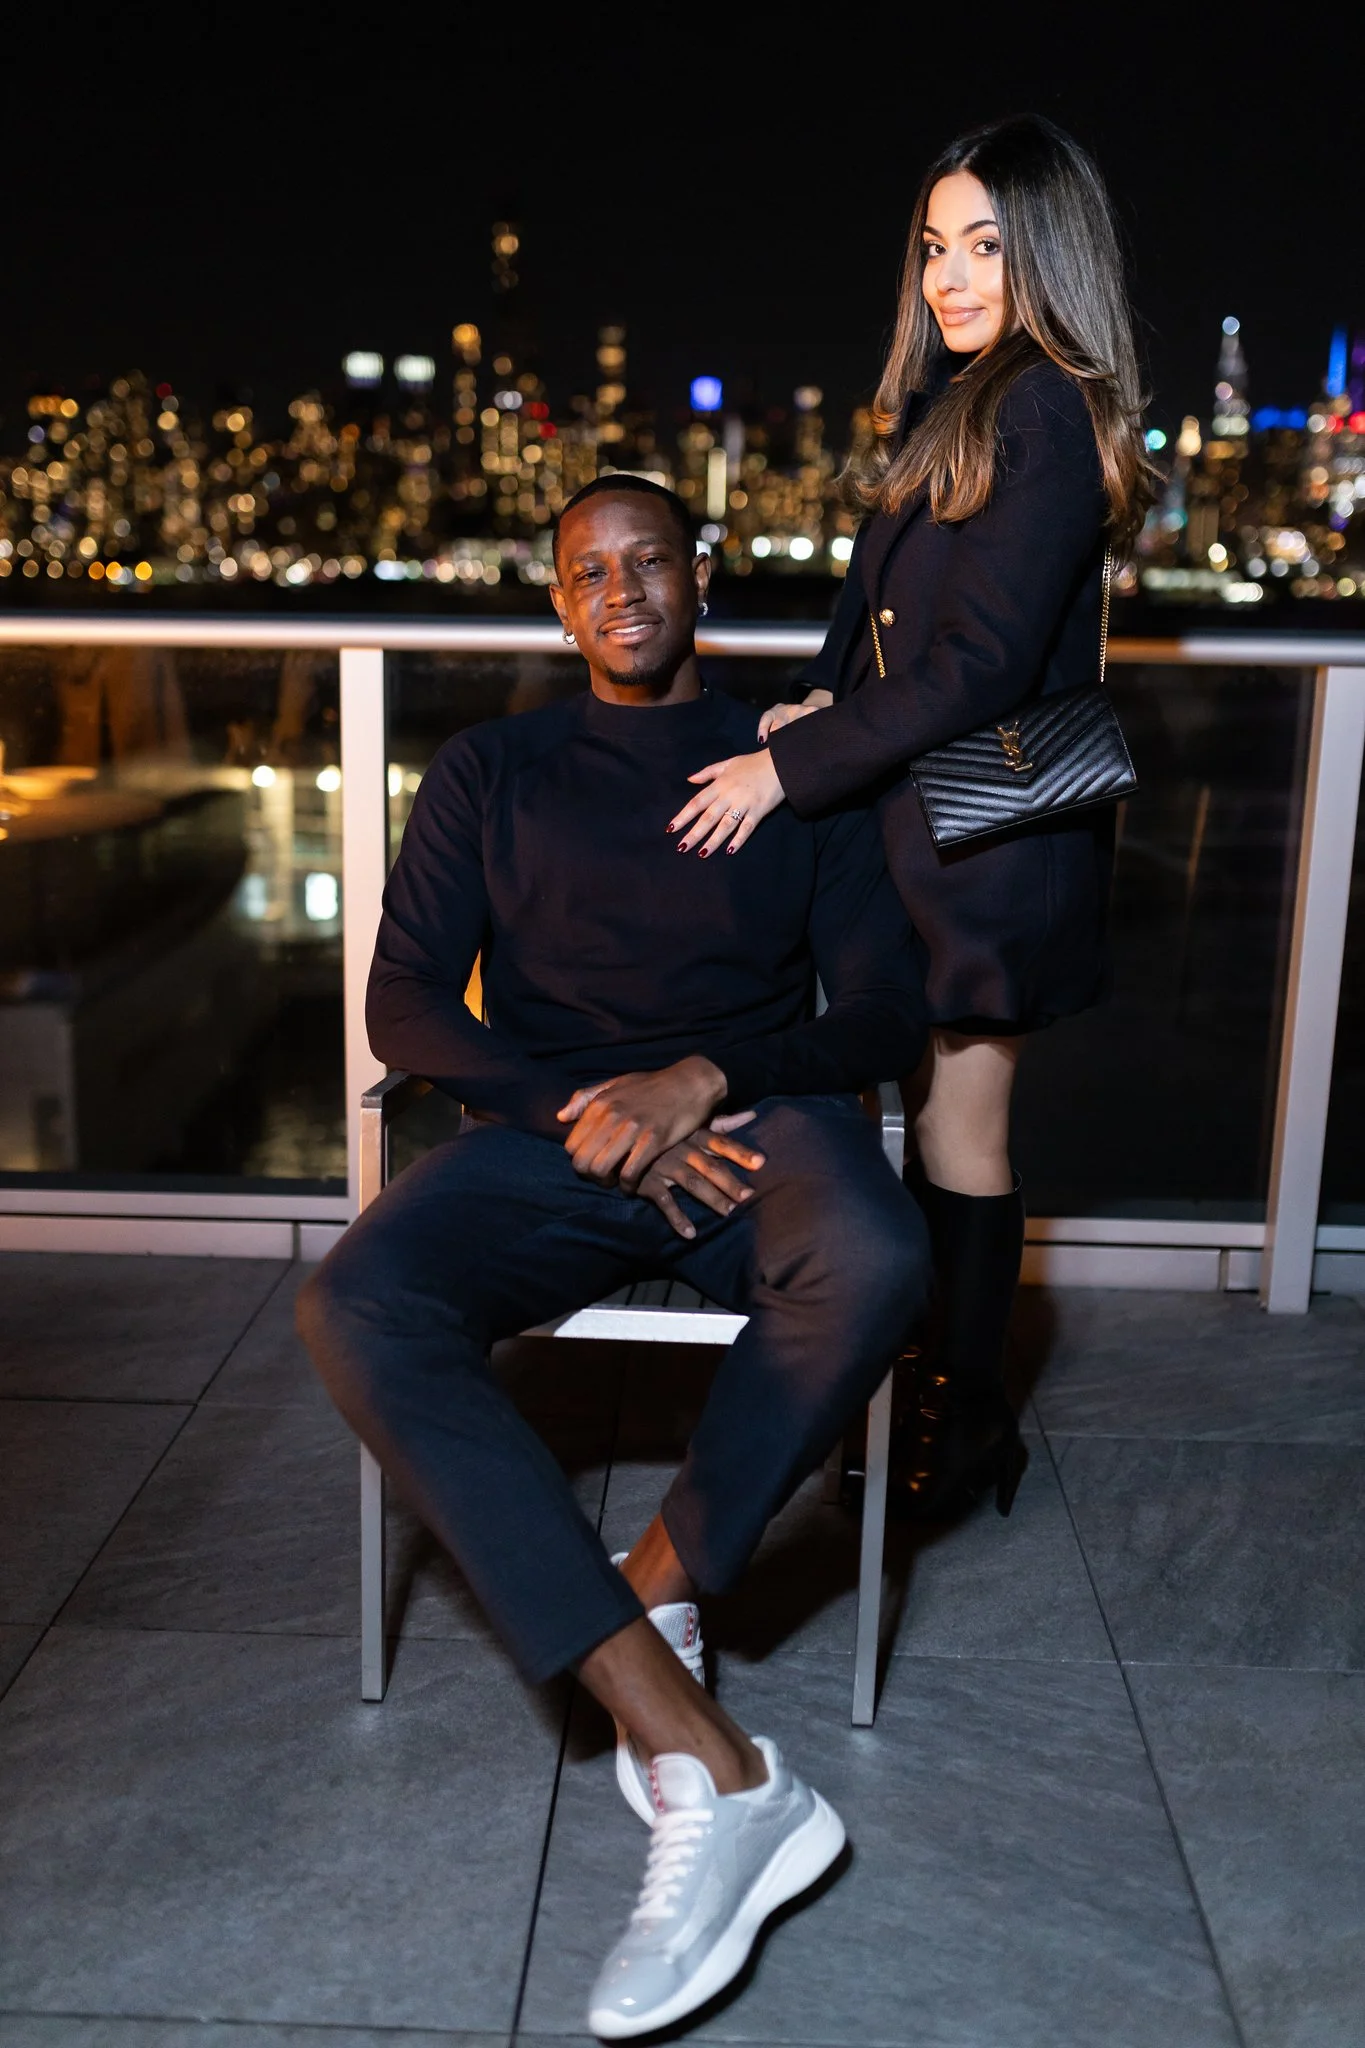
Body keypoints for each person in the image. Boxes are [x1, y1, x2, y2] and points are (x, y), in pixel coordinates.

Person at [297, 474, 931, 2038]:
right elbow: (406, 1008)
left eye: (649, 560)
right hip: (552, 1142)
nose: (622, 588)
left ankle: (656, 1584)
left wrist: (705, 1080)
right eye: (590, 570)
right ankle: (698, 1749)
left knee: (869, 1250)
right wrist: (573, 1102)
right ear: (558, 601)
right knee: (355, 1301)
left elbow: (881, 1018)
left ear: (698, 574)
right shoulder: (496, 770)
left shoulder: (799, 777)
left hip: (750, 1128)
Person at [667, 114, 1153, 1523]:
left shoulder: (1044, 404)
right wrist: (815, 701)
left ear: (1050, 252)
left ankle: (961, 1418)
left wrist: (789, 773)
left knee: (963, 1135)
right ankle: (914, 1384)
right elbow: (881, 608)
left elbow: (984, 661)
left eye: (987, 245)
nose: (950, 275)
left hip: (992, 840)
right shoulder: (965, 399)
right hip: (927, 826)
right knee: (922, 1125)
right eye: (936, 246)